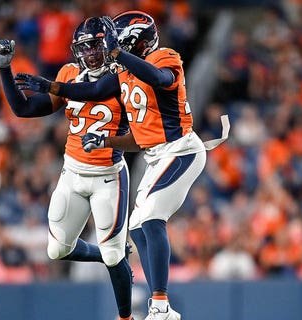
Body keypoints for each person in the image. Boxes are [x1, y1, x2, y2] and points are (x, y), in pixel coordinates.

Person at [14, 10, 229, 320]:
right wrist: (53, 87)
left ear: (134, 42)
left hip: (181, 150)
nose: (112, 50)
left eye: (118, 43)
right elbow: (93, 92)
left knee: (152, 219)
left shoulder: (165, 57)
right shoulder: (124, 74)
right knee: (139, 228)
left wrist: (116, 53)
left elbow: (158, 79)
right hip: (155, 155)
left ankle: (159, 306)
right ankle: (161, 305)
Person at [0, 16, 133, 320]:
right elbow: (25, 109)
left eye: (96, 44)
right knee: (57, 251)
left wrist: (54, 87)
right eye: (86, 47)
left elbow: (97, 93)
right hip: (72, 172)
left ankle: (126, 316)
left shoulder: (124, 74)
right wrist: (4, 69)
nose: (92, 52)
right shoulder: (69, 72)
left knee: (111, 252)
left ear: (110, 43)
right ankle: (116, 259)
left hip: (108, 176)